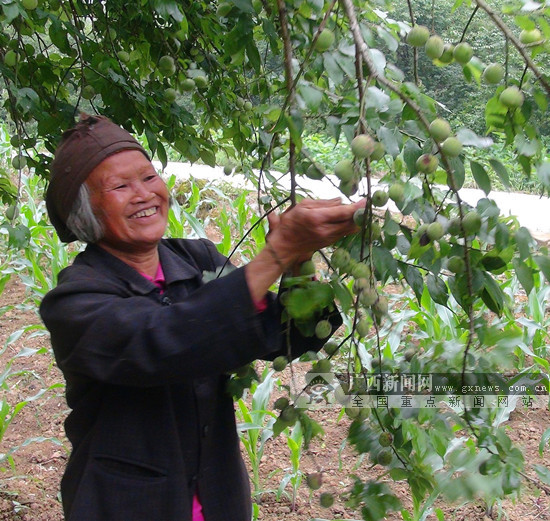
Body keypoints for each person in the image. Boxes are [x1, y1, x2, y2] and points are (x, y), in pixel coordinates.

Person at [40, 114, 363, 521]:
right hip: (126, 505)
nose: (143, 194)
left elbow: (281, 337)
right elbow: (164, 342)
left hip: (217, 498)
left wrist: (299, 262)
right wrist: (274, 255)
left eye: (148, 177)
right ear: (85, 213)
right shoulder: (75, 300)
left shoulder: (197, 261)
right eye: (120, 186)